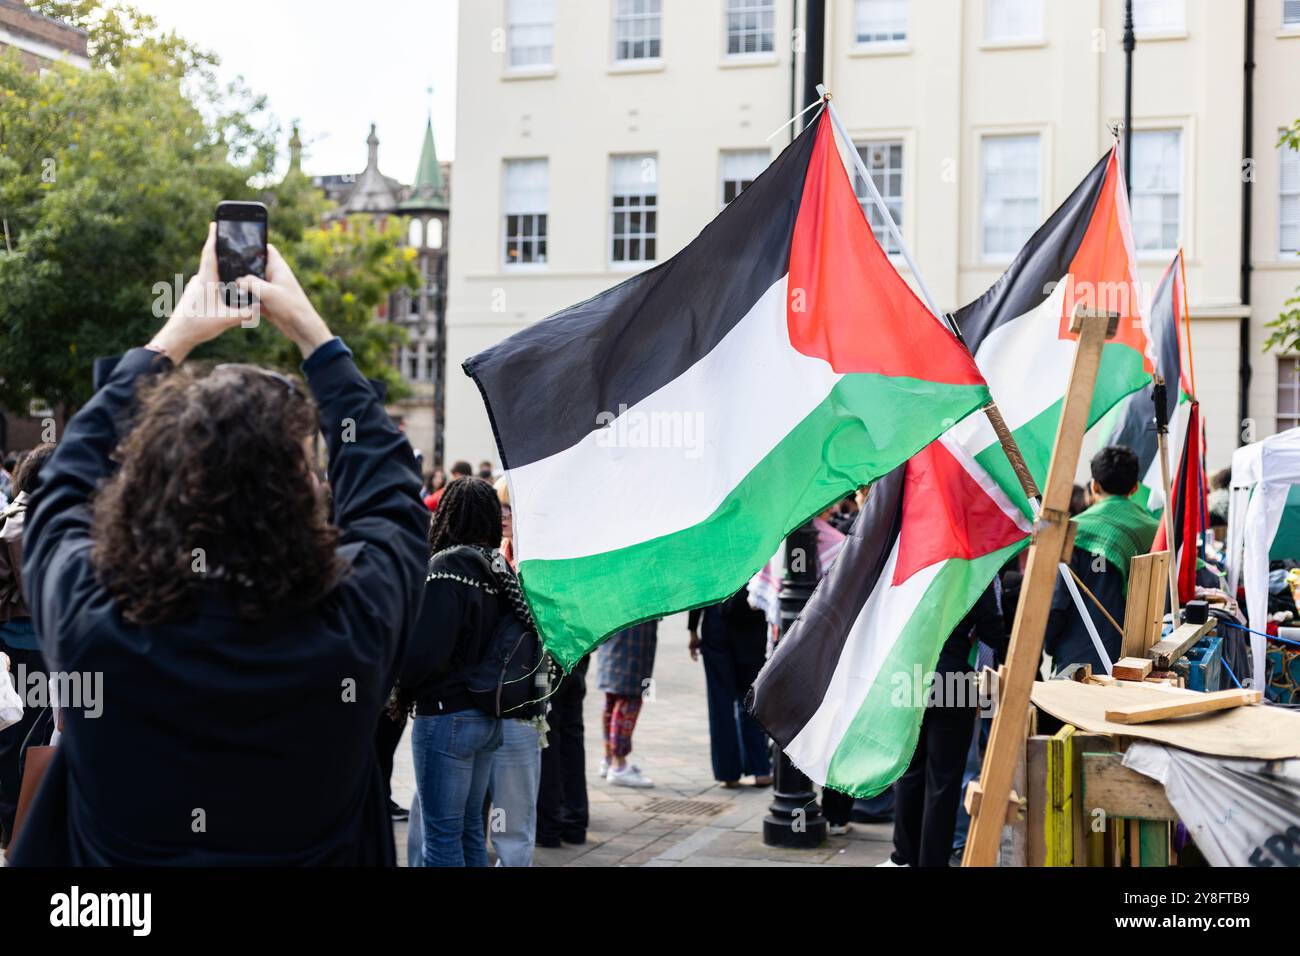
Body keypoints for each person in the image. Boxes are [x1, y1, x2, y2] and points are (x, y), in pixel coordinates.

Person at [9, 226, 428, 866]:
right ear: (303, 497)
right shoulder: (355, 627)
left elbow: (63, 485)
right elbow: (390, 497)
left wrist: (173, 337)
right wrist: (313, 335)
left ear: (148, 490)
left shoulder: (93, 623)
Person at [401, 476, 510, 866]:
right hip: (487, 717)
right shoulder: (499, 569)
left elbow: (427, 654)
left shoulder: (447, 567)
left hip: (448, 716)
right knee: (468, 833)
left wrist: (399, 690)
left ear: (449, 515)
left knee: (442, 838)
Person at [884, 584, 1004, 867]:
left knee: (910, 772)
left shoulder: (918, 556)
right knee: (944, 780)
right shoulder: (974, 565)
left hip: (912, 674)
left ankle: (903, 857)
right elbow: (993, 631)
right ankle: (932, 861)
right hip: (955, 676)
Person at [1042, 445, 1159, 674]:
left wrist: (1050, 644)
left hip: (1076, 661)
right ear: (1135, 488)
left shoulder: (1071, 531)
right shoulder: (1155, 532)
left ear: (1094, 486)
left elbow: (1058, 602)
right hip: (1136, 663)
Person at [484, 476, 543, 866]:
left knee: (513, 822)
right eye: (499, 507)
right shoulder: (492, 554)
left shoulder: (536, 560)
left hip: (522, 701)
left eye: (510, 507)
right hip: (485, 698)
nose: (504, 516)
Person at [0, 443, 56, 846]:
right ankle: (22, 828)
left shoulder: (11, 518)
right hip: (39, 645)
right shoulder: (40, 523)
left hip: (16, 644)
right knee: (34, 740)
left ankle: (13, 829)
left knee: (15, 739)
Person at [688, 590, 771, 789]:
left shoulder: (706, 557)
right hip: (752, 625)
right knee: (751, 699)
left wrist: (693, 630)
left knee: (720, 703)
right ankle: (760, 769)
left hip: (717, 625)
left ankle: (728, 773)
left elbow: (698, 586)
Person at [596, 621, 658, 788]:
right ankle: (619, 765)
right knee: (629, 700)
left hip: (611, 637)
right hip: (634, 641)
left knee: (612, 699)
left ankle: (610, 759)